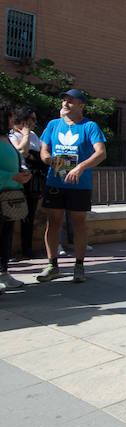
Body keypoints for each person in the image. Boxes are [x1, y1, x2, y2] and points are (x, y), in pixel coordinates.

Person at [36, 89, 107, 283]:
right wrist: (47, 159)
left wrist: (81, 167)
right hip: (55, 181)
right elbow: (44, 150)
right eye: (64, 100)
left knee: (78, 223)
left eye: (70, 101)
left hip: (79, 184)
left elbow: (101, 153)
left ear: (81, 105)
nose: (65, 104)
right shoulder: (53, 124)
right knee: (53, 222)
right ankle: (52, 265)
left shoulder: (90, 126)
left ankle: (79, 265)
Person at [0, 102, 33, 290]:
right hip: (3, 192)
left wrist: (23, 172)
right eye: (11, 115)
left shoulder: (6, 138)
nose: (14, 119)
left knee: (6, 236)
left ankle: (3, 273)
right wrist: (11, 176)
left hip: (9, 196)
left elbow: (19, 158)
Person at [9, 107, 45, 260]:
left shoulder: (34, 135)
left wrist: (33, 154)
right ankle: (7, 251)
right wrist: (24, 135)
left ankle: (27, 249)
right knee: (11, 216)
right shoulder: (11, 135)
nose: (35, 123)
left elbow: (41, 153)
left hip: (33, 181)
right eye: (33, 119)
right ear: (24, 120)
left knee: (29, 216)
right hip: (17, 180)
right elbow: (21, 153)